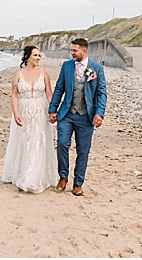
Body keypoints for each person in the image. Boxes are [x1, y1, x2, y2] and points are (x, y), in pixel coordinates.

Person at [48, 37, 107, 196]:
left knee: (83, 150)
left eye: (75, 50)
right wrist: (52, 110)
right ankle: (63, 176)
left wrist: (99, 114)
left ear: (84, 51)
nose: (72, 53)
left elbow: (101, 94)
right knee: (62, 144)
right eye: (71, 50)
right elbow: (59, 88)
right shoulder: (67, 66)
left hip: (86, 116)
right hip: (67, 113)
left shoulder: (97, 69)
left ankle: (78, 183)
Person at [1, 45, 57, 193]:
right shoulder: (18, 73)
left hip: (40, 110)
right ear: (27, 57)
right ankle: (22, 172)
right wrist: (15, 113)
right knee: (24, 141)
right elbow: (14, 95)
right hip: (23, 111)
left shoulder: (44, 72)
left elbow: (49, 94)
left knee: (37, 142)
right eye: (35, 55)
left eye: (39, 55)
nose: (38, 58)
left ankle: (31, 178)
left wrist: (53, 110)